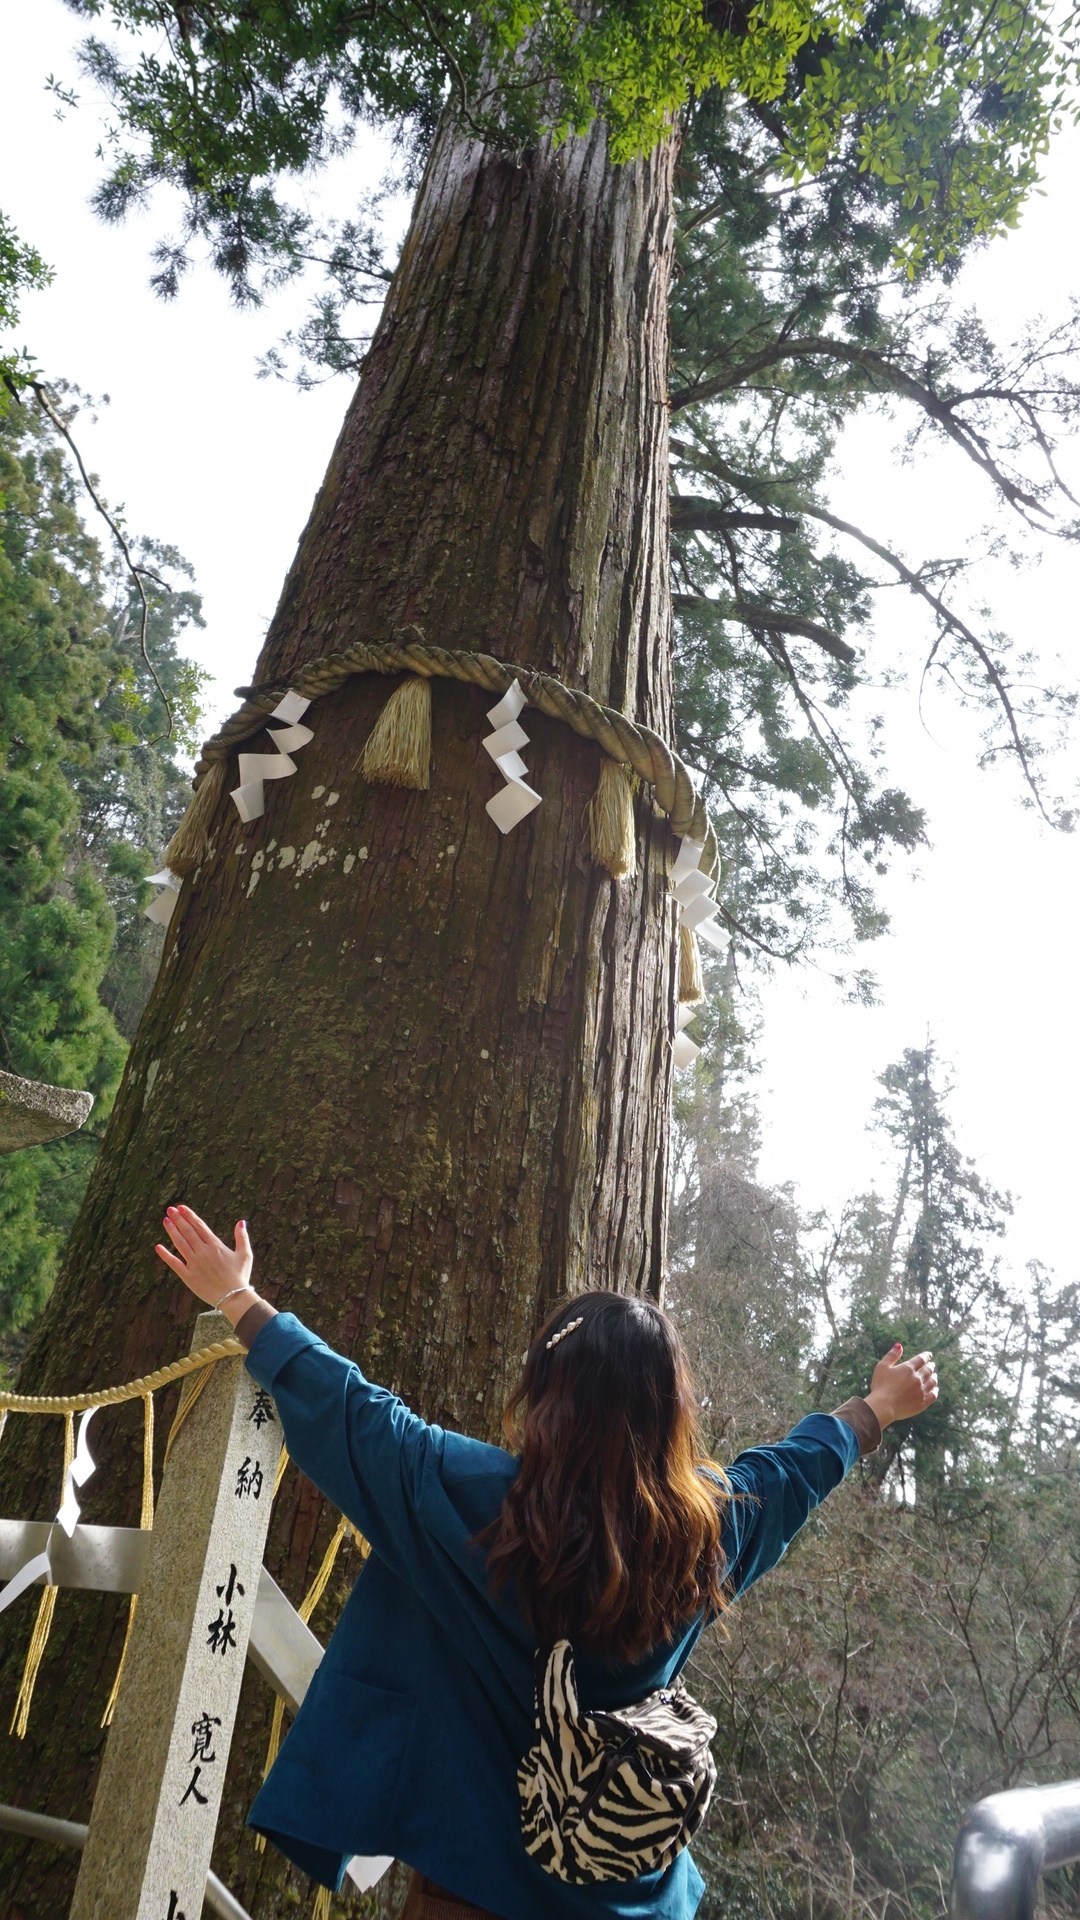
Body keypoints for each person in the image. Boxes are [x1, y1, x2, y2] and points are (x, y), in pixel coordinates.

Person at [155, 1204, 938, 1920]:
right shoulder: (711, 1528)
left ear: (549, 1393)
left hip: (474, 1890)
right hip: (631, 1898)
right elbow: (797, 1470)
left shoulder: (475, 1503)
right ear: (670, 1411)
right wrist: (876, 1408)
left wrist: (239, 1301)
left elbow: (354, 1415)